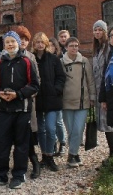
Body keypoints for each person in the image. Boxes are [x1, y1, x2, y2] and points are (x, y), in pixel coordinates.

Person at [0, 31, 39, 190]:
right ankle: (1, 174)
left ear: (18, 43)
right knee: (2, 142)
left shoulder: (26, 62)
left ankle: (19, 174)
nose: (10, 45)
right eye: (7, 42)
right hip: (4, 109)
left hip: (22, 109)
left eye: (13, 42)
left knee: (21, 144)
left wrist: (18, 94)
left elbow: (35, 85)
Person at [32, 32, 66, 172]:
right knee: (40, 129)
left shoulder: (53, 59)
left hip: (52, 99)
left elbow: (61, 77)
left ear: (46, 43)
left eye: (42, 42)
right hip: (37, 99)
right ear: (34, 44)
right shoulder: (32, 59)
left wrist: (56, 89)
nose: (40, 44)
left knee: (51, 129)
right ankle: (44, 155)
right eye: (37, 42)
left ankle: (50, 155)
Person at [61, 37, 96, 167]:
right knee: (71, 130)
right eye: (72, 46)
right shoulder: (61, 62)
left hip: (82, 101)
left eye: (76, 45)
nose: (74, 48)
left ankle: (72, 155)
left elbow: (90, 80)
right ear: (66, 47)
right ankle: (74, 154)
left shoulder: (84, 61)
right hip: (66, 102)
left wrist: (92, 96)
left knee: (78, 129)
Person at [16, 25, 41, 179]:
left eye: (26, 39)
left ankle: (34, 161)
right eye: (21, 39)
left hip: (27, 100)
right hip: (11, 101)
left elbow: (37, 80)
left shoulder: (31, 57)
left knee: (29, 132)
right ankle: (19, 165)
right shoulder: (5, 56)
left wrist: (30, 93)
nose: (23, 42)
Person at [94, 22, 113, 162]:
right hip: (112, 97)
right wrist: (103, 99)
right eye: (112, 35)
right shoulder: (112, 54)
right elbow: (105, 76)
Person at [49, 37, 66, 156]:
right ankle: (53, 143)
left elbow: (61, 77)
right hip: (46, 95)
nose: (49, 48)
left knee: (58, 121)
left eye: (51, 45)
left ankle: (62, 142)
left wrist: (57, 90)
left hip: (56, 94)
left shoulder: (58, 59)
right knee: (49, 123)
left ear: (55, 47)